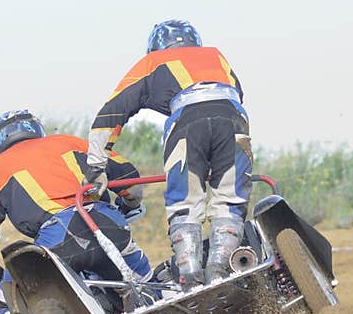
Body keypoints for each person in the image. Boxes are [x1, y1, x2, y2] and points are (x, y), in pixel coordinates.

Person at [0, 109, 152, 314]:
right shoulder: (69, 141)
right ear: (35, 129)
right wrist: (127, 207)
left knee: (5, 301)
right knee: (146, 280)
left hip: (55, 241)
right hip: (106, 224)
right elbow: (131, 185)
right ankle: (159, 313)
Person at [84, 20, 252, 289]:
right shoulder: (215, 54)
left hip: (187, 118)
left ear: (155, 46)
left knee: (185, 201)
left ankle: (190, 274)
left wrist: (95, 166)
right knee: (229, 197)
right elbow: (236, 93)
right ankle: (220, 266)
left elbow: (111, 113)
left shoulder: (152, 62)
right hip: (233, 116)